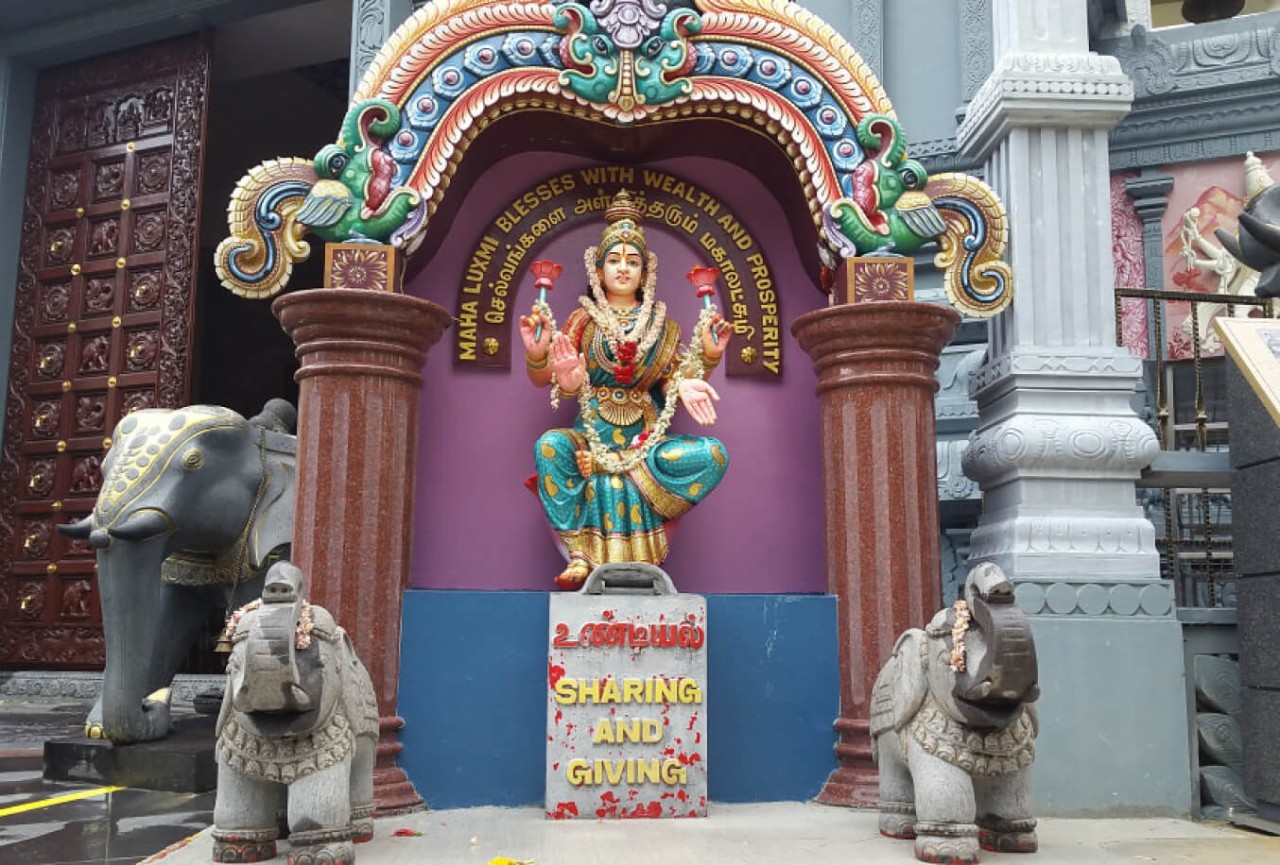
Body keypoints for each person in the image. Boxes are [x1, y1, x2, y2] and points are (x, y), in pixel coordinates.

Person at [519, 190, 733, 589]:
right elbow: (551, 376)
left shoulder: (662, 327)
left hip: (645, 447)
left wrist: (705, 358)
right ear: (598, 271)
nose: (623, 269)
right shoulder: (583, 321)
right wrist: (542, 361)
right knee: (550, 446)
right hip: (590, 437)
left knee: (714, 454)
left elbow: (677, 377)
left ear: (645, 271)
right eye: (614, 261)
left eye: (632, 262)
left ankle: (620, 481)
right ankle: (580, 553)